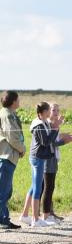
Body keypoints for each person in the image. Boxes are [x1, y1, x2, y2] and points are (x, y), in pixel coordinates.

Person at [20, 102, 72, 226]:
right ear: (45, 112)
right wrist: (57, 129)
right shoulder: (40, 124)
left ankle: (25, 215)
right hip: (38, 158)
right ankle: (36, 219)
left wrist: (60, 133)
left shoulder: (44, 122)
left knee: (35, 186)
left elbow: (50, 139)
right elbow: (47, 142)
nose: (54, 113)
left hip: (40, 157)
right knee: (39, 188)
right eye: (51, 110)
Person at [42, 103, 72, 223]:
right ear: (48, 111)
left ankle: (49, 212)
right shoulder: (50, 124)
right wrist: (66, 141)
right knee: (48, 187)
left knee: (46, 186)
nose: (56, 112)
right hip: (49, 158)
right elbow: (53, 143)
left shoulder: (54, 124)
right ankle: (46, 215)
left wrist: (64, 136)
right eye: (53, 110)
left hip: (52, 158)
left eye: (58, 110)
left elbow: (55, 139)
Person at [0, 91, 25, 229]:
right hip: (6, 156)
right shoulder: (7, 115)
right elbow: (12, 136)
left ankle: (4, 219)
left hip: (9, 156)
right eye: (18, 99)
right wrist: (21, 149)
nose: (19, 101)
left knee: (6, 191)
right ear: (13, 101)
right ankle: (3, 221)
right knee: (3, 191)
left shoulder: (9, 113)